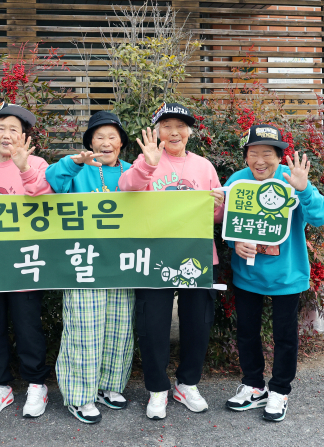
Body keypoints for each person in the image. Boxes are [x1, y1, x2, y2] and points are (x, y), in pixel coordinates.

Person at [118, 102, 225, 419]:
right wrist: (147, 166)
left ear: (190, 131)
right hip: (155, 255)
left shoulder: (204, 166)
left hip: (198, 254)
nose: (174, 132)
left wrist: (219, 205)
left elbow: (217, 217)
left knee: (198, 322)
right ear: (156, 132)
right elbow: (126, 190)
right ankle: (157, 388)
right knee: (152, 324)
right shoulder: (145, 160)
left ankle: (187, 383)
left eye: (181, 126)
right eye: (166, 126)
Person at [224, 124, 324, 422]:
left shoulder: (290, 179)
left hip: (287, 274)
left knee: (285, 336)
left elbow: (322, 216)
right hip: (248, 274)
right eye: (253, 153)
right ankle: (254, 386)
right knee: (247, 333)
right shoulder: (237, 182)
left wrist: (304, 188)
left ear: (280, 156)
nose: (260, 160)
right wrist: (236, 242)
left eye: (268, 154)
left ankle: (280, 390)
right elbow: (227, 223)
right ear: (245, 157)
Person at [45, 111, 135, 424]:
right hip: (83, 261)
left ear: (121, 143)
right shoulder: (77, 170)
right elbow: (52, 183)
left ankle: (109, 385)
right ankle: (80, 396)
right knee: (84, 328)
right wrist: (74, 162)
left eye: (112, 137)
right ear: (89, 144)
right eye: (99, 137)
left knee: (119, 326)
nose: (106, 142)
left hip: (122, 262)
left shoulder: (132, 171)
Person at [0, 103, 53, 418]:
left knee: (27, 322)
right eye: (1, 128)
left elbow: (48, 199)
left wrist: (24, 168)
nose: (6, 135)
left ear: (25, 136)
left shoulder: (37, 162)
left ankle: (36, 384)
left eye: (14, 130)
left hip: (26, 259)